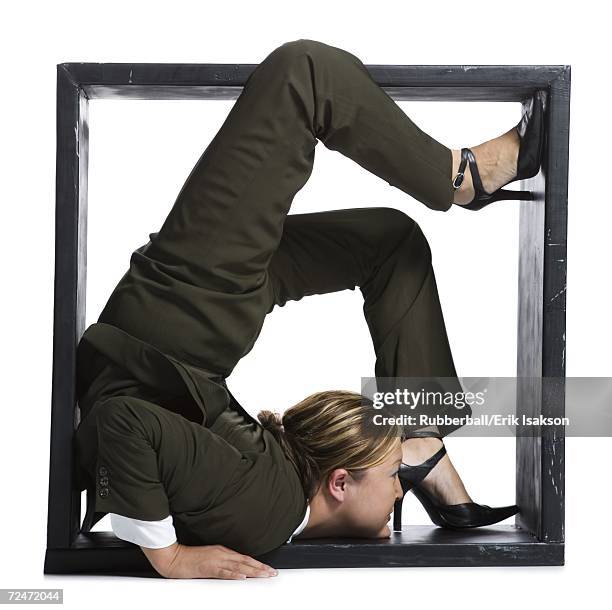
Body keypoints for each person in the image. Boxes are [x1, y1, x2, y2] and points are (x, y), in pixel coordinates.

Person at [74, 38, 545, 580]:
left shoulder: (268, 507)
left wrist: (168, 556)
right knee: (393, 246)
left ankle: (461, 178)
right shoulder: (277, 499)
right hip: (189, 342)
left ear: (339, 483)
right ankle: (422, 434)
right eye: (399, 474)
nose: (398, 488)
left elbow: (121, 423)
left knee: (305, 75)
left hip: (176, 324)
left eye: (396, 472)